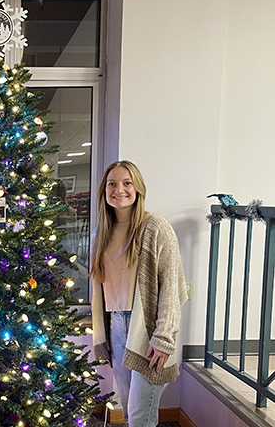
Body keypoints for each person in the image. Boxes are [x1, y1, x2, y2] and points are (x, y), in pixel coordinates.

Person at [90, 160, 187, 427]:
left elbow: (172, 285)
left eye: (126, 183)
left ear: (138, 188)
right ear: (104, 190)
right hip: (117, 326)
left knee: (139, 415)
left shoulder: (155, 227)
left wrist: (164, 338)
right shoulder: (100, 234)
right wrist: (104, 337)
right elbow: (100, 290)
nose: (118, 190)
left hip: (147, 329)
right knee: (130, 408)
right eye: (112, 184)